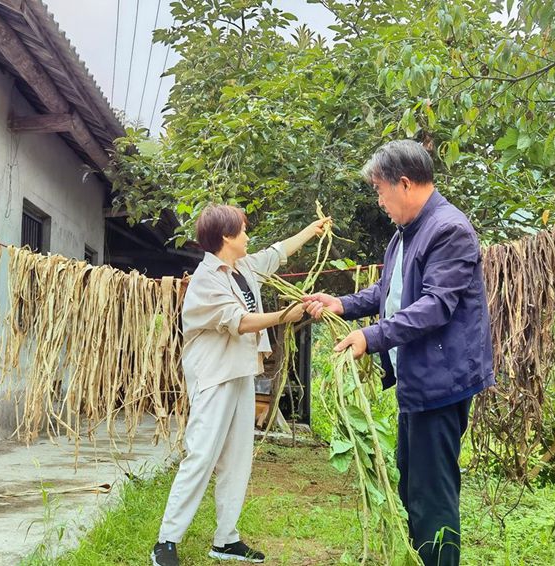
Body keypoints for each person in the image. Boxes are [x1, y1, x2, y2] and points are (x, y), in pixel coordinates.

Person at [303, 140, 494, 566]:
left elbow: (435, 306)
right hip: (418, 380)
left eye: (379, 189)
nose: (379, 200)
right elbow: (389, 292)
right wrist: (344, 305)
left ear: (404, 184)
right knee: (413, 487)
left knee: (432, 495)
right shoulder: (406, 233)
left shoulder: (448, 229)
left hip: (441, 381)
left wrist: (371, 338)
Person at [152, 204, 331, 566]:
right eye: (243, 231)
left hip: (242, 372)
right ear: (226, 238)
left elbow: (277, 253)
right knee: (202, 456)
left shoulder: (242, 267)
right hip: (215, 377)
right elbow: (240, 321)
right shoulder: (206, 280)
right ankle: (166, 541)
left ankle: (226, 539)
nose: (248, 236)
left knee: (237, 460)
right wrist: (287, 315)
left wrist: (312, 230)